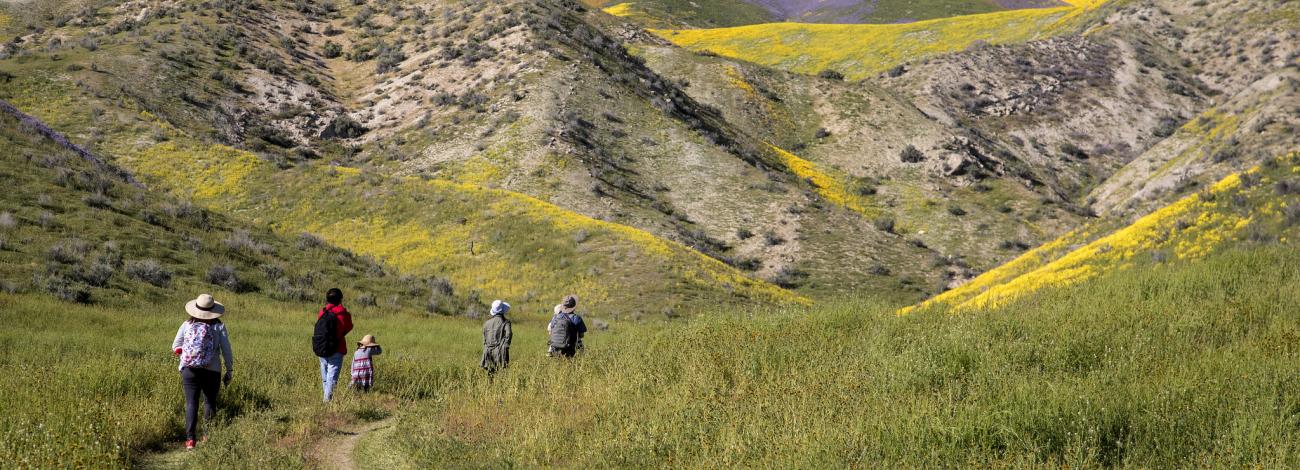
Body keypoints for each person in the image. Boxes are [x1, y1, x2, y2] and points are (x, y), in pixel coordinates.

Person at [171, 293, 234, 450]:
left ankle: (190, 440)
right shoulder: (219, 326)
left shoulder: (187, 324)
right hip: (212, 369)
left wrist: (189, 354)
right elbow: (226, 350)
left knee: (191, 402)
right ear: (213, 310)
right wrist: (229, 368)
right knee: (209, 402)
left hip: (189, 369)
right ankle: (207, 436)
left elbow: (175, 346)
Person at [313, 288, 353, 402]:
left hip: (322, 347)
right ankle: (327, 403)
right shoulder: (343, 314)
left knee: (325, 378)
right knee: (332, 378)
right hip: (337, 348)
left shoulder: (323, 312)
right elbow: (349, 326)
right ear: (340, 299)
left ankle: (326, 400)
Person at [481, 300, 512, 376]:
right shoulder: (506, 322)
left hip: (487, 351)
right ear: (503, 310)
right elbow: (509, 334)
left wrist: (487, 348)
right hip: (500, 352)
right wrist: (505, 346)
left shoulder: (486, 323)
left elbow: (484, 339)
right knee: (501, 375)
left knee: (490, 375)